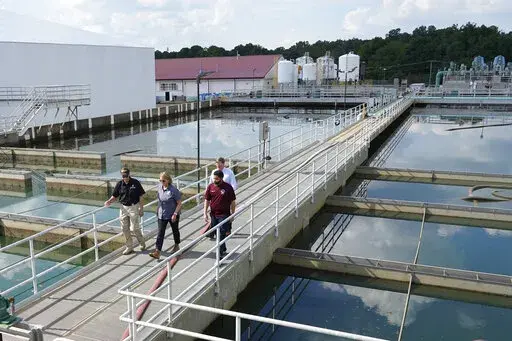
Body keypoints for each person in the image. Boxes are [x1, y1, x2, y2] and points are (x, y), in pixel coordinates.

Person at [104, 167, 146, 255]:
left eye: (126, 174)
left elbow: (141, 196)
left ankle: (142, 243)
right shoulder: (120, 184)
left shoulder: (135, 182)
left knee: (134, 228)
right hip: (123, 208)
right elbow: (115, 196)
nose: (125, 177)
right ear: (121, 175)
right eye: (123, 175)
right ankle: (129, 247)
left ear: (129, 174)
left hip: (133, 207)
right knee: (124, 228)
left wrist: (141, 209)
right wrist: (109, 201)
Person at [149, 172, 182, 260]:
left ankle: (177, 245)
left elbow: (179, 203)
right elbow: (159, 200)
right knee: (160, 233)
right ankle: (157, 251)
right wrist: (157, 210)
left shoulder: (173, 190)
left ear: (168, 180)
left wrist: (175, 214)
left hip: (172, 214)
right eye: (160, 180)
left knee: (175, 231)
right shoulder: (160, 187)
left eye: (163, 181)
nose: (161, 182)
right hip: (161, 214)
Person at [204, 170, 236, 259]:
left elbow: (233, 202)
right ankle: (223, 247)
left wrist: (233, 214)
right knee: (216, 232)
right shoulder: (210, 187)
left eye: (217, 179)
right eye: (214, 178)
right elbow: (207, 200)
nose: (215, 180)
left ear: (221, 178)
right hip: (213, 214)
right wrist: (205, 213)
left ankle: (219, 253)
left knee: (221, 233)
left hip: (224, 214)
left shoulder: (228, 188)